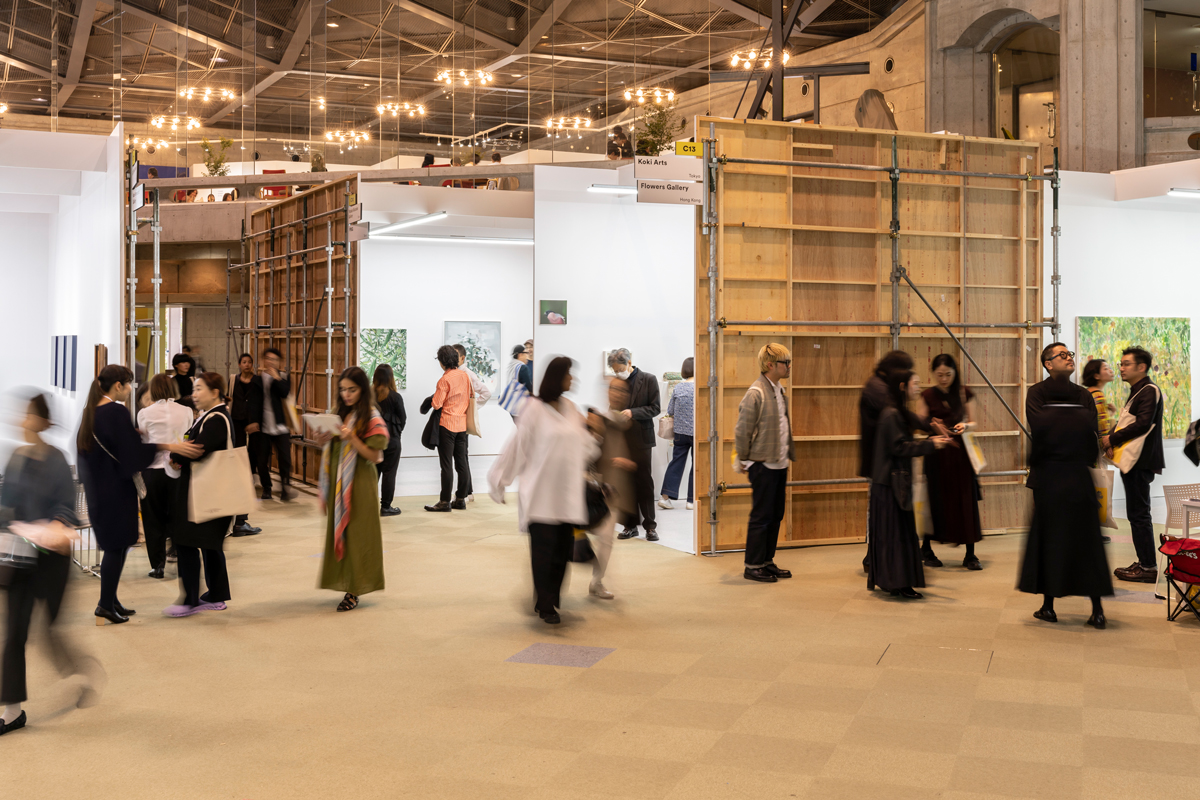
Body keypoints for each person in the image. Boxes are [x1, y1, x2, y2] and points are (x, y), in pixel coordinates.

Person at [1, 394, 103, 736]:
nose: (23, 421)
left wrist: (57, 524)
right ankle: (12, 711)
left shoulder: (57, 459)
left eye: (30, 416)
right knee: (14, 633)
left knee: (50, 631)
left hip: (51, 559)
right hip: (20, 558)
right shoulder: (16, 458)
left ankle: (83, 672)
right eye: (23, 415)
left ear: (43, 422)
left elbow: (66, 505)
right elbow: (7, 504)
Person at [77, 364, 201, 624]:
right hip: (115, 490)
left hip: (100, 488)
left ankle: (110, 599)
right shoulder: (115, 411)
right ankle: (104, 606)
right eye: (129, 385)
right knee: (116, 546)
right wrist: (166, 444)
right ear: (119, 385)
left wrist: (136, 439)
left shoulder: (92, 411)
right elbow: (131, 454)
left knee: (118, 545)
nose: (131, 390)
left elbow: (112, 449)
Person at [489, 356, 599, 624]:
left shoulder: (571, 409)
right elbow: (518, 447)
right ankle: (546, 603)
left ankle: (549, 600)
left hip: (567, 495)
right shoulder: (534, 409)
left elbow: (585, 445)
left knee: (561, 553)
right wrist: (500, 480)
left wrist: (595, 436)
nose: (572, 379)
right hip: (540, 495)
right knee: (543, 552)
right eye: (568, 374)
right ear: (556, 377)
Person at [1018, 374, 1113, 628]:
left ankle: (1048, 607)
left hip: (1051, 487)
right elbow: (1092, 453)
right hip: (1081, 485)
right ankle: (1098, 611)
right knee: (1088, 547)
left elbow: (1034, 456)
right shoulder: (1085, 417)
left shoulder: (1044, 418)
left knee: (1051, 544)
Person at [867, 369, 951, 598]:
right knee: (895, 535)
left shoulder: (897, 411)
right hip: (889, 483)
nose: (919, 388)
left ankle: (893, 581)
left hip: (891, 482)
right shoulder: (892, 413)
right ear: (902, 386)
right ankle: (897, 583)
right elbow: (899, 447)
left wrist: (933, 430)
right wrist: (931, 445)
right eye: (915, 383)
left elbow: (916, 428)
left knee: (894, 534)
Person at [163, 373, 237, 617]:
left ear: (215, 392)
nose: (194, 395)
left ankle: (190, 599)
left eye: (199, 389)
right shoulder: (210, 416)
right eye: (193, 390)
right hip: (208, 493)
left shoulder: (215, 418)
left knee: (185, 541)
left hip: (205, 493)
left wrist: (175, 454)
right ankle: (216, 594)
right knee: (209, 544)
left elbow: (198, 449)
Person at [316, 366, 388, 612]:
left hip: (360, 485)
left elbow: (375, 456)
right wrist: (323, 438)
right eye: (343, 390)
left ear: (363, 390)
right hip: (338, 483)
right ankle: (347, 582)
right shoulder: (338, 413)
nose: (346, 394)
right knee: (341, 534)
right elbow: (330, 446)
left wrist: (351, 438)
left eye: (352, 390)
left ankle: (355, 589)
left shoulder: (371, 416)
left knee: (358, 536)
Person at [733, 344, 796, 582]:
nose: (789, 366)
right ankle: (753, 565)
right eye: (785, 362)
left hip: (779, 463)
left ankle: (767, 561)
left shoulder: (778, 390)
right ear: (771, 365)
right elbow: (742, 430)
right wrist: (745, 459)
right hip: (762, 464)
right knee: (761, 515)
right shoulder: (756, 392)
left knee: (775, 514)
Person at [919, 354, 983, 570]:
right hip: (937, 455)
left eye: (948, 374)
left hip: (961, 455)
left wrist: (966, 426)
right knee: (934, 500)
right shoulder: (927, 394)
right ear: (933, 374)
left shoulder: (964, 392)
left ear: (955, 372)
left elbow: (974, 422)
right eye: (939, 375)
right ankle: (926, 549)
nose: (944, 378)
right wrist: (934, 426)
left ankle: (971, 554)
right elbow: (921, 423)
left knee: (966, 500)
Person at [1110, 347, 1165, 584]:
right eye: (1121, 364)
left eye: (1126, 364)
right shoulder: (1139, 391)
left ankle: (1148, 567)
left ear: (1141, 367)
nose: (1121, 368)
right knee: (1136, 513)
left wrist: (1112, 438)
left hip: (1140, 461)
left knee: (1139, 514)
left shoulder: (1148, 391)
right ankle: (1144, 562)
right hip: (1136, 461)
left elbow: (1142, 424)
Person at [137, 373, 194, 579]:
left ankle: (157, 565)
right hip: (176, 467)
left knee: (153, 518)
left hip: (152, 470)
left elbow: (144, 442)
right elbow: (188, 436)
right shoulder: (186, 411)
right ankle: (182, 557)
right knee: (178, 515)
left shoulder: (144, 413)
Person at [586, 378, 638, 600]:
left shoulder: (631, 423)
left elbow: (640, 458)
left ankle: (597, 581)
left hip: (615, 490)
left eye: (622, 390)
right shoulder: (598, 419)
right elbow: (587, 453)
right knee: (577, 535)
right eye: (613, 389)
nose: (617, 393)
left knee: (606, 539)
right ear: (607, 392)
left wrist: (630, 463)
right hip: (593, 487)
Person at [609, 348, 660, 541]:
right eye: (614, 370)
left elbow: (655, 408)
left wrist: (632, 412)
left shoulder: (648, 379)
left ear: (629, 363)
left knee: (644, 482)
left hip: (641, 439)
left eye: (620, 368)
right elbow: (611, 406)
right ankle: (629, 526)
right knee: (624, 483)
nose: (617, 373)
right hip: (622, 440)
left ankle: (650, 526)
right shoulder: (616, 383)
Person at [425, 345, 472, 512]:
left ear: (442, 362)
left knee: (446, 465)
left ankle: (444, 501)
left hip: (447, 425)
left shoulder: (444, 380)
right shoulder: (465, 376)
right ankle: (460, 499)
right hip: (462, 424)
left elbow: (437, 403)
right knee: (462, 463)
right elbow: (469, 397)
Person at [249, 347, 294, 502]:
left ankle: (285, 487)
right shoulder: (257, 380)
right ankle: (266, 488)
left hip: (281, 426)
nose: (271, 361)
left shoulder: (283, 378)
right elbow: (253, 403)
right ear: (263, 360)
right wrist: (253, 421)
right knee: (262, 460)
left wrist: (277, 378)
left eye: (274, 359)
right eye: (268, 358)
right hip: (262, 427)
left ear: (279, 362)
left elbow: (285, 393)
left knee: (285, 459)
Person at [227, 353, 262, 535]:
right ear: (239, 364)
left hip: (254, 422)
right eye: (244, 361)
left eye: (249, 361)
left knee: (250, 459)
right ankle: (240, 521)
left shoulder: (258, 381)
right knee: (241, 462)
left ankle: (241, 521)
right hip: (237, 420)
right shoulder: (233, 380)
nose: (247, 364)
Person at [453, 343, 492, 502]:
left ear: (462, 358)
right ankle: (468, 491)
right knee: (462, 456)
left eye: (455, 356)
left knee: (461, 457)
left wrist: (472, 409)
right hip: (456, 419)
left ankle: (466, 492)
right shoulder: (455, 373)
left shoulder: (468, 373)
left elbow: (486, 393)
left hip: (461, 420)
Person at [659, 357, 695, 511]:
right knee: (697, 465)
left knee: (676, 463)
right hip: (697, 432)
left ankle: (665, 498)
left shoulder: (679, 388)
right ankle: (691, 501)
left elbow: (670, 411)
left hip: (680, 433)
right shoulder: (700, 388)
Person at [373, 364, 406, 516]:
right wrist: (396, 434)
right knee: (389, 473)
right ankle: (385, 507)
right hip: (392, 440)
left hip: (373, 440)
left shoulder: (369, 396)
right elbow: (403, 419)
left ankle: (369, 504)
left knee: (373, 473)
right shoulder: (395, 397)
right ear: (391, 378)